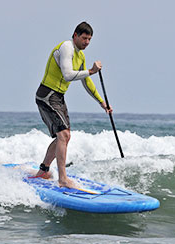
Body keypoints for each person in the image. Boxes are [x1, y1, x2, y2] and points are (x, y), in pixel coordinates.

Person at [35, 21, 111, 188]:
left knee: (64, 136)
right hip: (47, 94)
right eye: (84, 38)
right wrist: (91, 70)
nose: (87, 42)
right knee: (63, 135)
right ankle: (62, 179)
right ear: (75, 35)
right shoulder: (66, 47)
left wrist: (101, 102)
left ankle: (43, 170)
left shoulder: (80, 56)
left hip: (58, 97)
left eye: (90, 39)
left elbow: (86, 81)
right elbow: (68, 75)